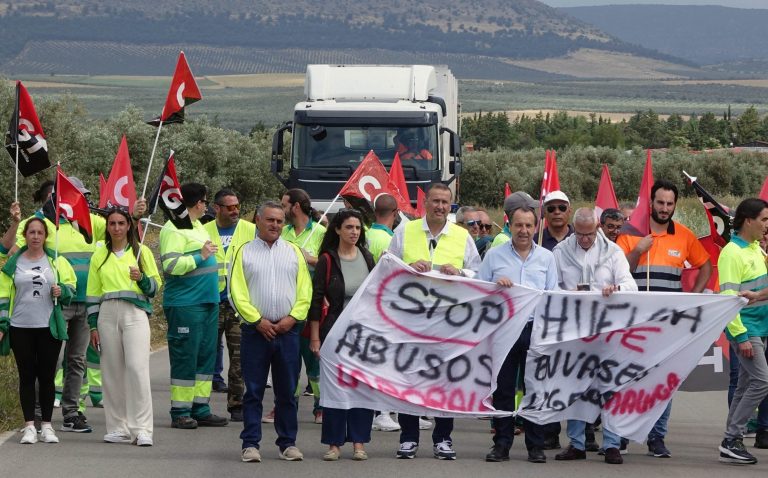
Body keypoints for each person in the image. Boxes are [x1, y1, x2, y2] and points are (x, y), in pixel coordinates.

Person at [616, 179, 711, 458]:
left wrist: (693, 297)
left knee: (664, 382)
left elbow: (705, 265)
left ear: (675, 205)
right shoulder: (630, 233)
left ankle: (657, 437)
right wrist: (637, 250)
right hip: (634, 321)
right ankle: (621, 434)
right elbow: (619, 271)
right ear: (651, 202)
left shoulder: (684, 235)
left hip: (669, 323)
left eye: (670, 204)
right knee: (628, 379)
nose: (665, 208)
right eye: (660, 202)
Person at [387, 183, 481, 460]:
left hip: (448, 322)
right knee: (409, 379)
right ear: (425, 203)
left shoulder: (462, 236)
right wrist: (407, 267)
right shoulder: (405, 231)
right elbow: (387, 265)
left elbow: (478, 273)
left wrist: (460, 272)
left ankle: (443, 438)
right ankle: (408, 438)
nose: (440, 206)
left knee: (445, 382)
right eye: (436, 201)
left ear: (450, 206)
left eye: (445, 202)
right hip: (411, 320)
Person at [551, 208, 637, 465]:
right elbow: (551, 287)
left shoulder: (613, 252)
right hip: (575, 331)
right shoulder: (560, 252)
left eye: (589, 234)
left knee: (609, 387)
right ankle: (576, 443)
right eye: (580, 234)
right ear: (573, 229)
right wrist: (568, 294)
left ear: (597, 227)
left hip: (608, 330)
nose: (585, 239)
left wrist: (616, 288)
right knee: (575, 387)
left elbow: (630, 285)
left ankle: (612, 444)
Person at [230, 201, 311, 463]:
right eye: (270, 220)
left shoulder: (294, 252)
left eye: (279, 221)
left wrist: (292, 318)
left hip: (287, 332)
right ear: (258, 220)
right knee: (253, 391)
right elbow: (236, 291)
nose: (275, 225)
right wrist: (257, 321)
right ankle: (250, 444)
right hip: (256, 332)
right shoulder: (243, 252)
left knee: (287, 392)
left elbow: (305, 291)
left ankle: (287, 443)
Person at [479, 205, 558, 464]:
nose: (523, 230)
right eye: (518, 225)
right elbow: (480, 291)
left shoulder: (547, 258)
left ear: (536, 227)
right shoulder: (494, 256)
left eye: (528, 225)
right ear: (509, 226)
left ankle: (535, 446)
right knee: (503, 389)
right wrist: (495, 287)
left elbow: (553, 296)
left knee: (535, 389)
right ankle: (501, 444)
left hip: (535, 331)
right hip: (504, 330)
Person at [86, 207, 161, 446]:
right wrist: (93, 326)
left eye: (121, 223)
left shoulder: (142, 252)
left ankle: (142, 429)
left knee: (137, 369)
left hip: (135, 313)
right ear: (107, 227)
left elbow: (156, 287)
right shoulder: (99, 255)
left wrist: (142, 279)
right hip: (107, 314)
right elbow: (92, 293)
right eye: (112, 224)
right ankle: (118, 427)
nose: (117, 228)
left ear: (129, 225)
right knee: (112, 372)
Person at [0, 217, 76, 444]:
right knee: (26, 376)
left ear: (45, 236)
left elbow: (71, 287)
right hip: (20, 327)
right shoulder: (12, 264)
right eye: (31, 232)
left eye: (39, 233)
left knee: (46, 377)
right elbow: (3, 295)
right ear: (25, 236)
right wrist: (2, 324)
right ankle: (29, 426)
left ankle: (47, 426)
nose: (35, 236)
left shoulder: (57, 260)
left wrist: (62, 291)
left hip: (48, 327)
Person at [308, 209, 376, 460]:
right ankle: (334, 444)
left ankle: (359, 443)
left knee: (361, 388)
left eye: (357, 228)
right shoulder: (327, 260)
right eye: (349, 227)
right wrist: (315, 337)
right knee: (335, 389)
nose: (354, 232)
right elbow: (316, 300)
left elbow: (375, 294)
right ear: (337, 230)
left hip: (363, 335)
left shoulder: (367, 257)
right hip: (333, 334)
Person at [160, 182, 228, 430]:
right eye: (205, 201)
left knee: (205, 357)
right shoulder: (173, 229)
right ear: (198, 203)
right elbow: (171, 266)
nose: (206, 206)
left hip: (208, 302)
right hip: (186, 304)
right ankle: (180, 411)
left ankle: (201, 408)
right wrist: (201, 255)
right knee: (185, 357)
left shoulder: (198, 226)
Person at [717, 198, 768, 465]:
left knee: (746, 385)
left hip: (761, 327)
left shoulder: (756, 249)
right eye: (764, 219)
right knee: (762, 381)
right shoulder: (732, 253)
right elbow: (728, 297)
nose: (767, 225)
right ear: (748, 221)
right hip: (747, 330)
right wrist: (740, 335)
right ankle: (731, 439)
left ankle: (730, 441)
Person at [204, 189, 256, 422]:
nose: (236, 211)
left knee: (239, 357)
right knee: (206, 355)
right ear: (217, 208)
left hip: (238, 304)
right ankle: (200, 405)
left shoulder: (250, 230)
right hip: (211, 302)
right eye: (230, 207)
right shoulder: (203, 231)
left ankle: (237, 405)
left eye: (237, 206)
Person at [280, 188, 326, 424]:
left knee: (313, 359)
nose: (282, 210)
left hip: (310, 304)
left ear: (296, 207)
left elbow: (330, 264)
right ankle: (287, 405)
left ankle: (321, 406)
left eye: (284, 205)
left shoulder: (320, 233)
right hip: (284, 304)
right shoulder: (283, 232)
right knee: (288, 360)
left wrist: (310, 259)